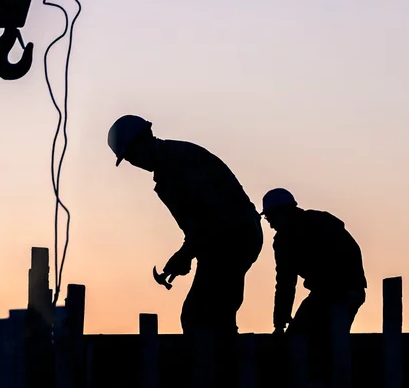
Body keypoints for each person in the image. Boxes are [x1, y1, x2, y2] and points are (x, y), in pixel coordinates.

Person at [108, 115, 263, 385]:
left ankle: (220, 375)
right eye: (130, 160)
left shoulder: (178, 163)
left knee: (201, 314)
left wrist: (185, 253)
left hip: (233, 237)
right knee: (211, 313)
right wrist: (188, 254)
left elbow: (208, 216)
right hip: (224, 239)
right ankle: (224, 372)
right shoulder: (170, 167)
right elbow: (199, 223)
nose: (136, 163)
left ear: (145, 141)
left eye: (134, 156)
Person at [262, 187, 367, 385]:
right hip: (353, 291)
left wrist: (280, 321)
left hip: (331, 293)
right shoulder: (322, 220)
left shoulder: (286, 237)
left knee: (300, 338)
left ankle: (317, 380)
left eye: (270, 219)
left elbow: (285, 281)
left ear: (282, 212)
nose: (271, 225)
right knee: (334, 341)